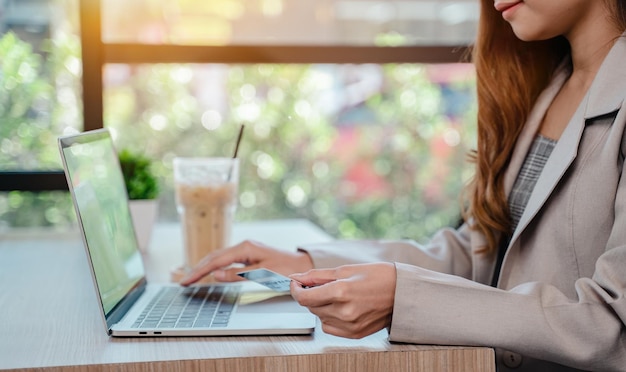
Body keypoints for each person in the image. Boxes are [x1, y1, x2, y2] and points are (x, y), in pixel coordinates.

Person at [181, 1, 626, 370]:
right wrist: (306, 263)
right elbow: (477, 257)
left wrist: (406, 298)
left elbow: (612, 327)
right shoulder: (552, 84)